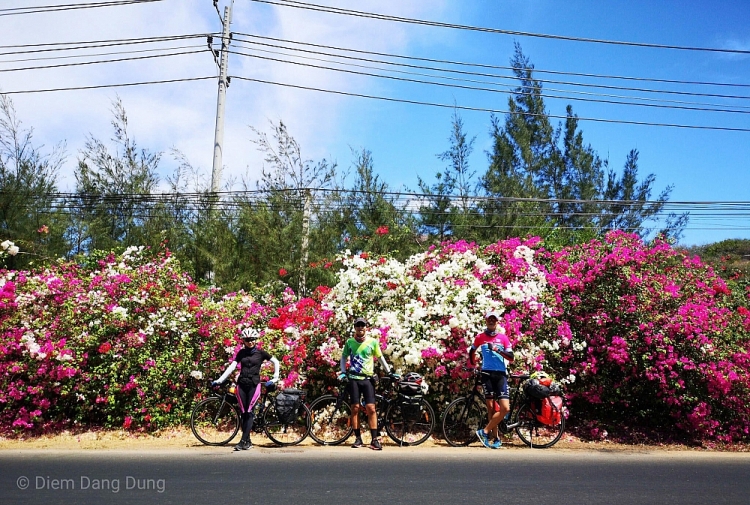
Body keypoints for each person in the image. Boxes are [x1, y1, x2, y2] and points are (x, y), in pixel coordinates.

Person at [212, 327, 280, 451]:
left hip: (254, 384)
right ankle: (247, 441)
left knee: (249, 412)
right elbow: (231, 367)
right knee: (243, 413)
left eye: (252, 339)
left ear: (256, 340)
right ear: (243, 340)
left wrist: (274, 378)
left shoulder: (261, 353)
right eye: (247, 340)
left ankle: (243, 441)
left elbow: (276, 362)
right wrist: (220, 380)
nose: (250, 342)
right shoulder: (241, 353)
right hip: (241, 384)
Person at [339, 317, 394, 450]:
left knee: (371, 408)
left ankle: (374, 439)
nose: (360, 328)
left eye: (362, 325)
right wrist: (343, 371)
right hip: (353, 379)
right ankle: (358, 438)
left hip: (367, 379)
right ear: (355, 328)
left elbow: (380, 358)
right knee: (355, 408)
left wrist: (389, 372)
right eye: (358, 325)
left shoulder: (372, 342)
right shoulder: (350, 342)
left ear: (366, 327)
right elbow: (343, 357)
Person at [469, 311, 514, 449]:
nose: (491, 322)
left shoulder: (503, 338)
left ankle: (484, 431)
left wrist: (496, 349)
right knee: (490, 407)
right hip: (487, 374)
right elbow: (472, 351)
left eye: (494, 320)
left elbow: (511, 357)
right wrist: (473, 364)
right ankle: (495, 439)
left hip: (500, 374)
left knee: (505, 408)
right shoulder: (480, 337)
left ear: (497, 322)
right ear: (486, 321)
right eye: (489, 319)